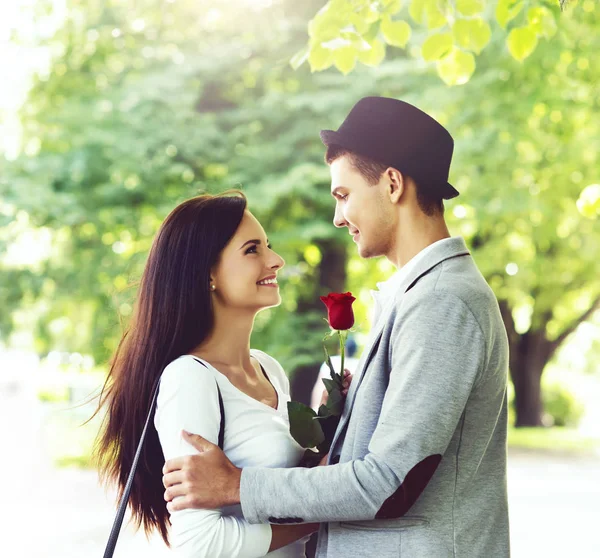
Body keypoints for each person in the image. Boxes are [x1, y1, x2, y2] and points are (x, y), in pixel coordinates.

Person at [161, 97, 510, 557]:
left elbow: (389, 483)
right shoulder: (417, 296)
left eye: (343, 195)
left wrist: (238, 486)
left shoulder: (442, 302)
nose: (337, 217)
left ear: (391, 184)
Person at [94, 192, 333, 557]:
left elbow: (285, 485)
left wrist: (330, 429)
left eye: (267, 246)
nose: (276, 260)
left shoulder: (268, 369)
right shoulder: (189, 379)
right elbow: (201, 545)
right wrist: (327, 514)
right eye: (252, 250)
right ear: (208, 273)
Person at [310, 336, 359, 411]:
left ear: (341, 349)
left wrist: (315, 407)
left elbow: (319, 387)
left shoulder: (332, 361)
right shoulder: (358, 364)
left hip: (327, 408)